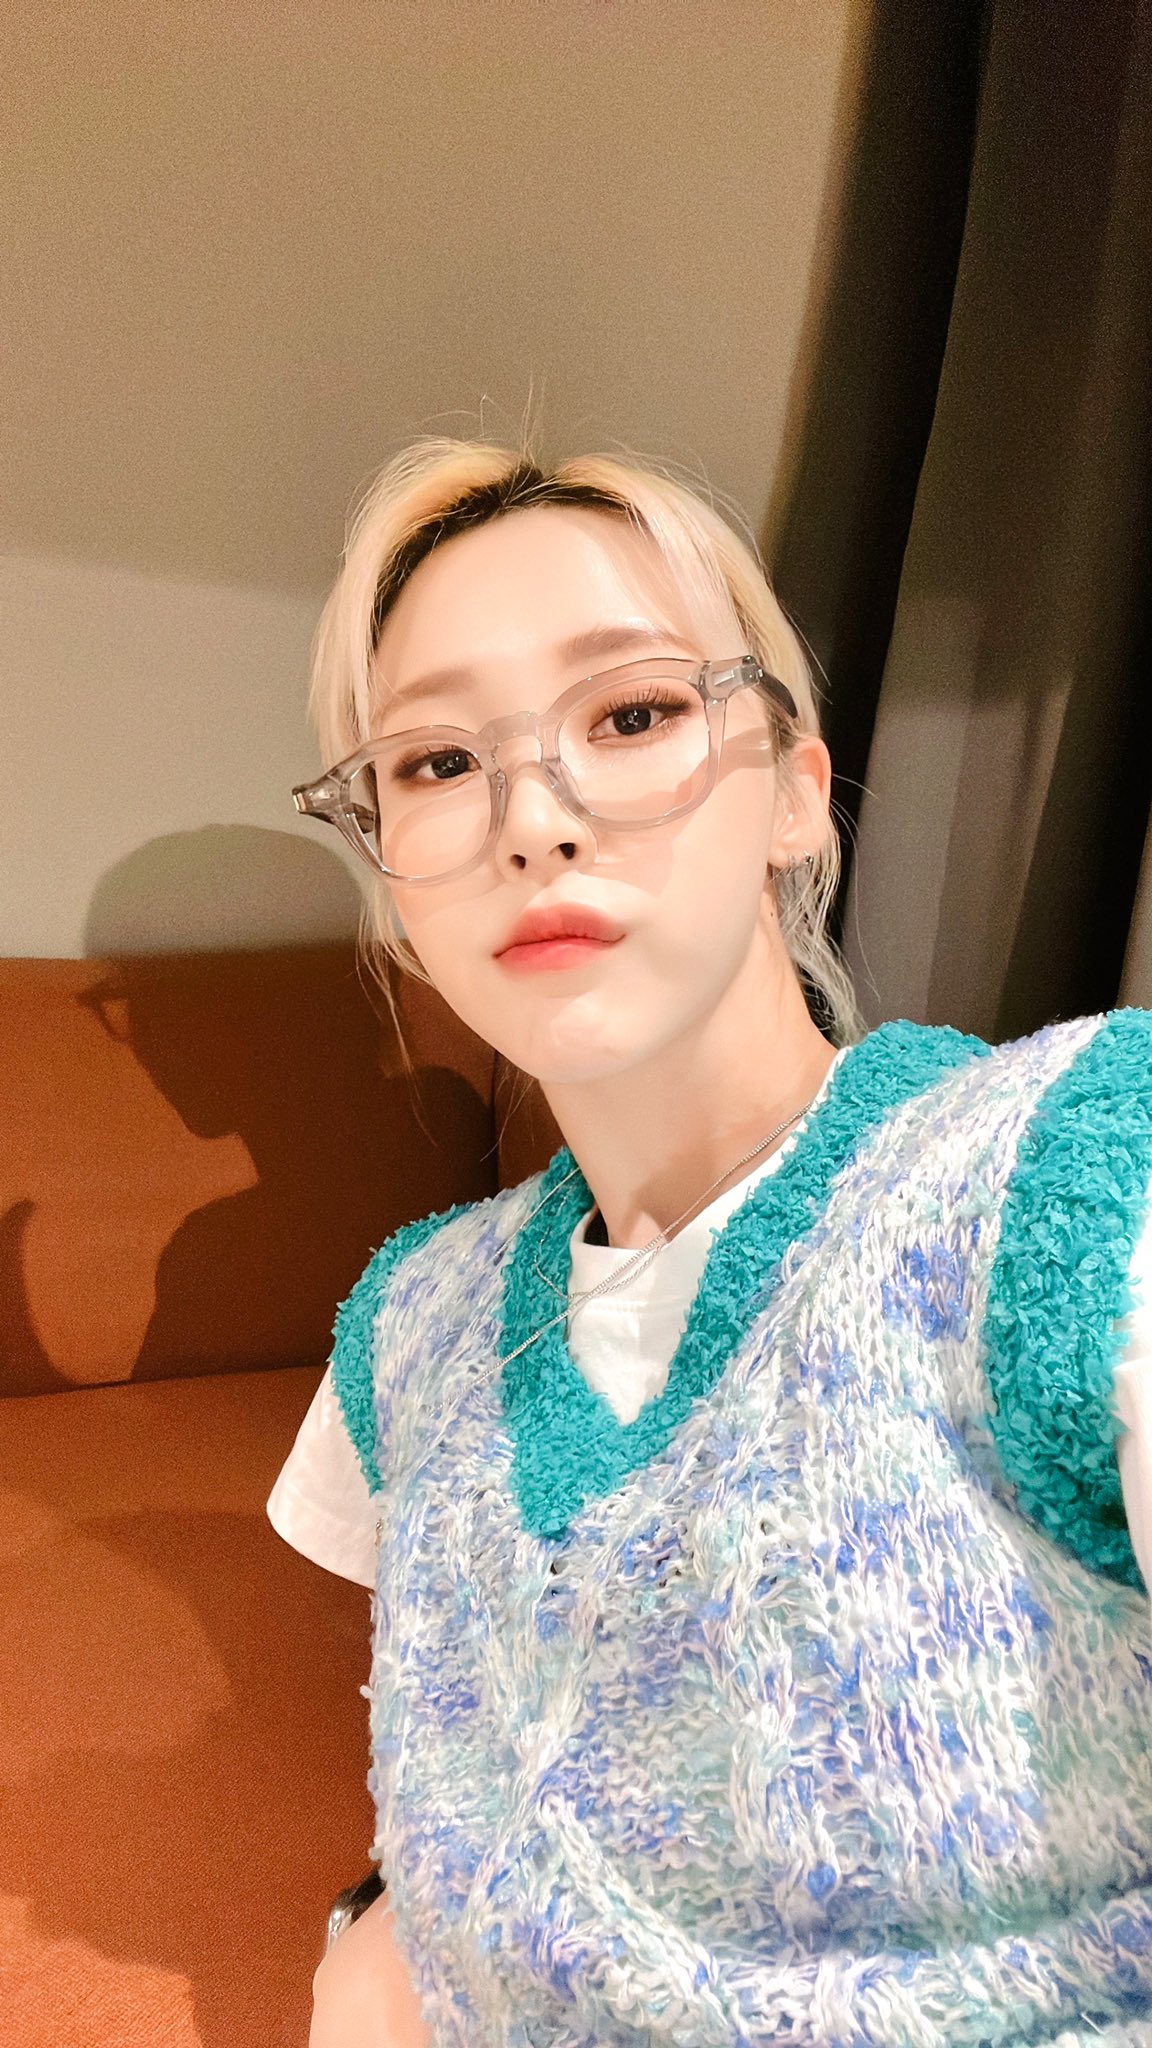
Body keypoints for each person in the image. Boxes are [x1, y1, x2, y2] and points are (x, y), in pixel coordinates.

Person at [272, 437, 1152, 2047]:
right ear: (391, 869)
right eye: (438, 760)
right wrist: (376, 1937)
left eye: (630, 715)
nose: (532, 820)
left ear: (797, 793)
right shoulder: (408, 1334)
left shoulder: (1077, 1179)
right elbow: (462, 1808)